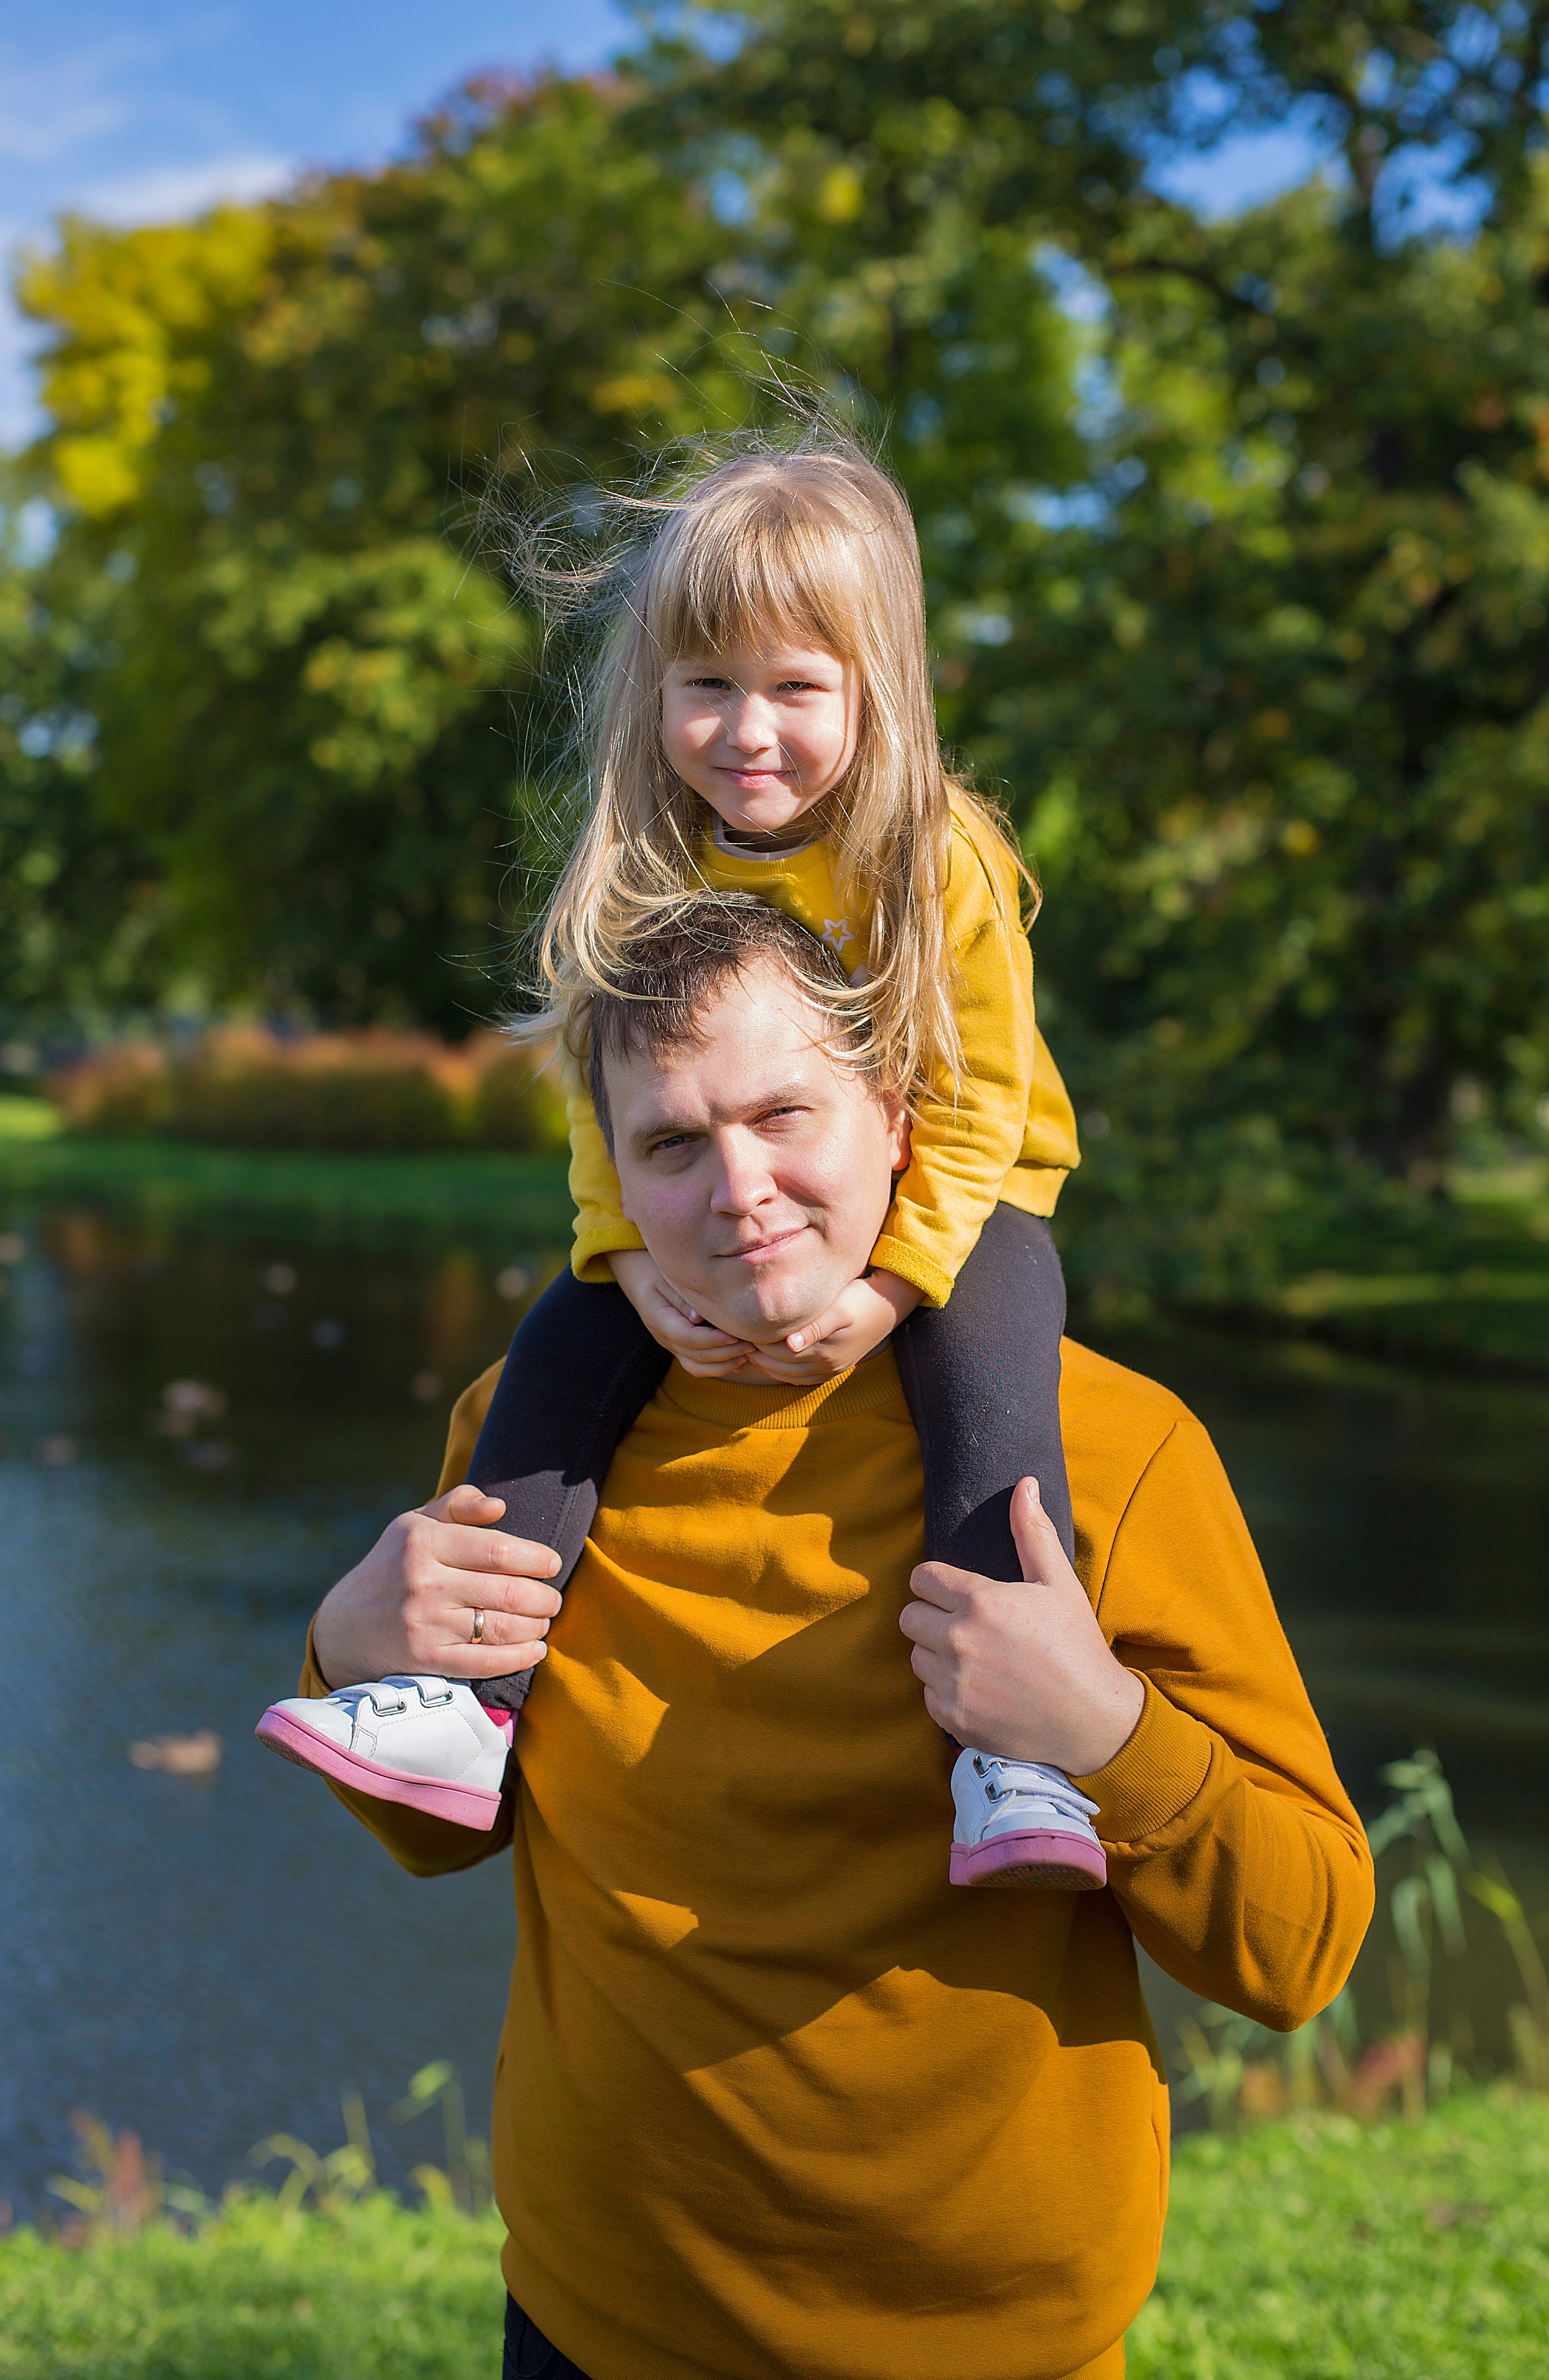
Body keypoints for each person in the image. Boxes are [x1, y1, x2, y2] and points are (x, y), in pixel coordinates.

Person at [270, 899, 1374, 2380]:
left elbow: (1300, 1949)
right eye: (669, 1143)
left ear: (899, 1113)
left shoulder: (1109, 1452)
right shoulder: (528, 1442)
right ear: (612, 1174)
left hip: (992, 2345)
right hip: (599, 2320)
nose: (739, 1189)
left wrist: (1104, 1734)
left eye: (785, 1112)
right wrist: (349, 1649)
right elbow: (438, 1833)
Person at [260, 429, 1106, 1887]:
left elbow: (977, 1106)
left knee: (992, 1391)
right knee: (557, 1359)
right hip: (692, 1239)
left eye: (794, 688)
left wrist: (896, 1285)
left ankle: (1015, 1749)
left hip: (965, 1209)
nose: (745, 731)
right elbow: (602, 1102)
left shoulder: (933, 857)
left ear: (875, 691)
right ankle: (469, 1702)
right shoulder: (645, 864)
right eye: (704, 687)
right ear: (652, 694)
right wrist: (630, 1259)